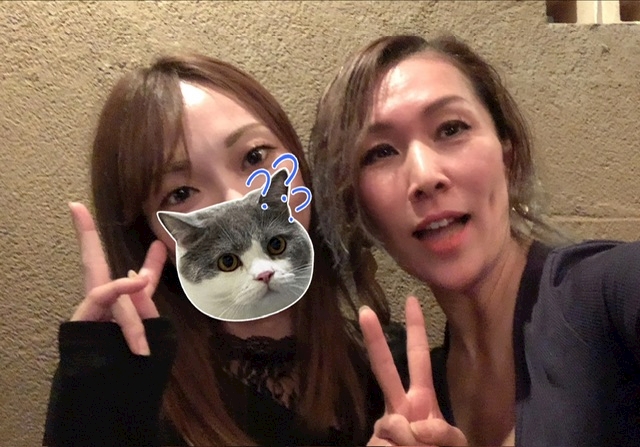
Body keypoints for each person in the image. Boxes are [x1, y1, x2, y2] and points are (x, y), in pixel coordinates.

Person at [43, 52, 410, 446]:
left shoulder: (397, 368)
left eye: (254, 157)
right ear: (151, 233)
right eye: (181, 193)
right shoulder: (130, 393)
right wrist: (94, 401)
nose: (238, 201)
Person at [309, 34, 640, 446]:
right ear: (362, 212)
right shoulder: (404, 404)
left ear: (507, 156)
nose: (425, 176)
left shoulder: (609, 294)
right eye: (380, 152)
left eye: (451, 129)